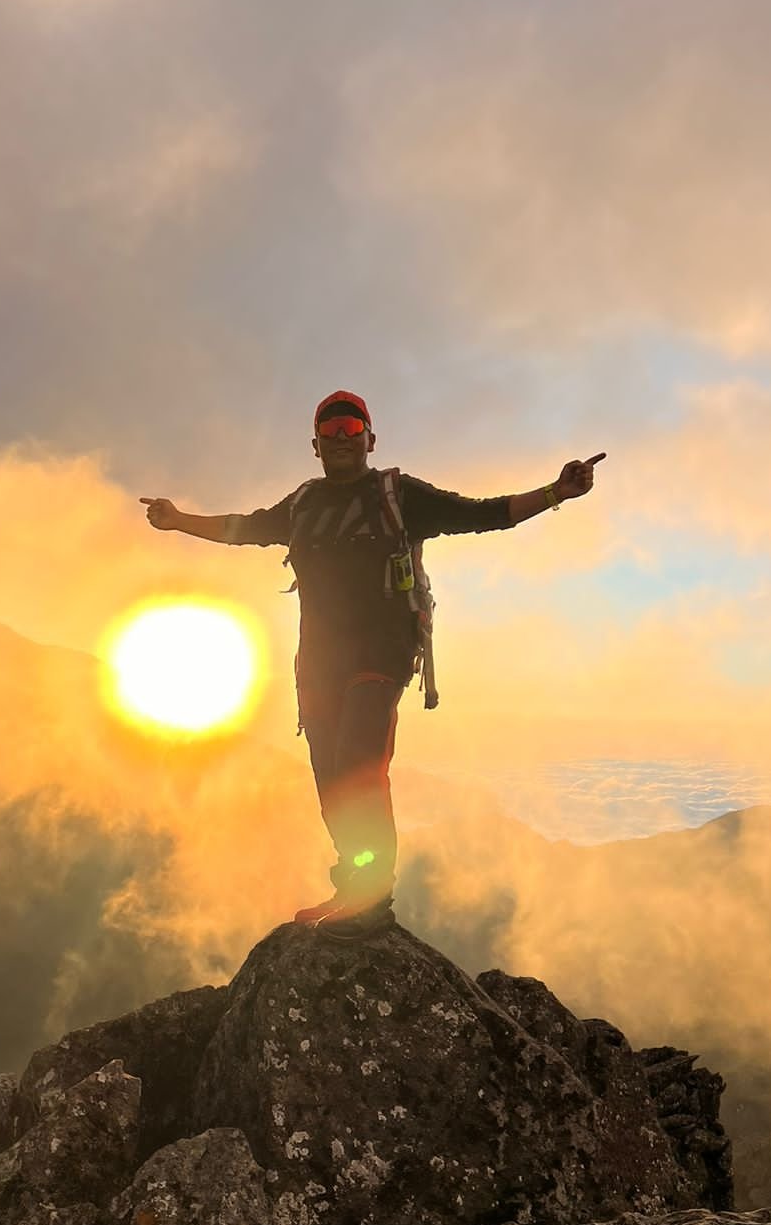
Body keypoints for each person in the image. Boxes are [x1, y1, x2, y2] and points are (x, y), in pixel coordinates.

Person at [141, 390, 603, 937]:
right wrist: (178, 521)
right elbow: (243, 527)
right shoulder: (303, 505)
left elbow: (484, 515)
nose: (341, 438)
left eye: (351, 428)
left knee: (360, 762)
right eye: (330, 431)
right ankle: (353, 884)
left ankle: (373, 897)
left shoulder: (398, 495)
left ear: (370, 439)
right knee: (331, 777)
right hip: (317, 662)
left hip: (381, 654)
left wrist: (558, 492)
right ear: (314, 445)